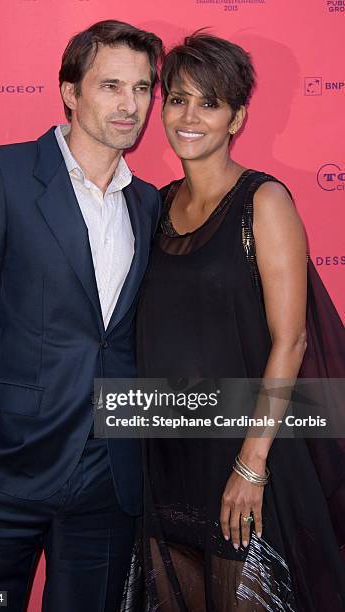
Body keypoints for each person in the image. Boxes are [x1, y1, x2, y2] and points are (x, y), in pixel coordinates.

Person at [0, 20, 163, 612]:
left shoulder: (149, 202)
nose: (130, 105)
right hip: (2, 465)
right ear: (70, 91)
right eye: (112, 85)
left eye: (142, 89)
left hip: (106, 475)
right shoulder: (1, 174)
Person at [135, 32, 345, 611]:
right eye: (177, 99)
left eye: (209, 103)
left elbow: (292, 340)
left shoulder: (264, 201)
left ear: (237, 117)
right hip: (164, 455)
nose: (189, 116)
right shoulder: (153, 206)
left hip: (245, 450)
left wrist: (251, 465)